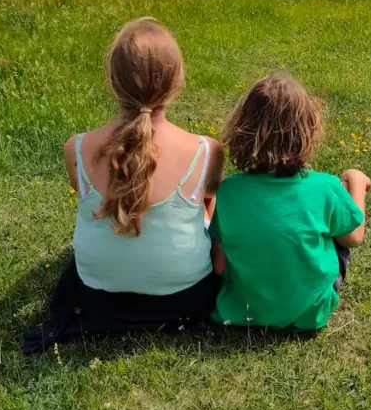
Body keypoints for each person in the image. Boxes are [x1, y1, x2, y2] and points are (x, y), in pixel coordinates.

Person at [23, 18, 224, 354]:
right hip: (185, 299)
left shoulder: (77, 147)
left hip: (97, 296)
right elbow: (209, 203)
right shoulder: (206, 151)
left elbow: (82, 194)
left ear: (113, 82)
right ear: (177, 82)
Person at [209, 71, 371, 332]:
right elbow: (354, 237)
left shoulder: (228, 191)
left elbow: (219, 266)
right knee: (333, 229)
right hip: (309, 313)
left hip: (243, 311)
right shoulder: (326, 186)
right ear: (309, 130)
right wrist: (356, 183)